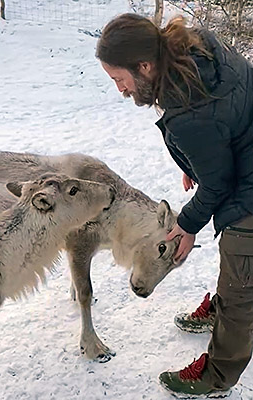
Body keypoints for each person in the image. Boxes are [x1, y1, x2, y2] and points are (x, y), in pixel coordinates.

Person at [96, 12, 253, 398]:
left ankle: (216, 376)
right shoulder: (196, 46)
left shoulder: (189, 113)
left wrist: (186, 224)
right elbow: (221, 120)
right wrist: (197, 162)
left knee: (242, 257)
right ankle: (228, 301)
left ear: (145, 66)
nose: (120, 90)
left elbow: (219, 184)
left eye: (120, 79)